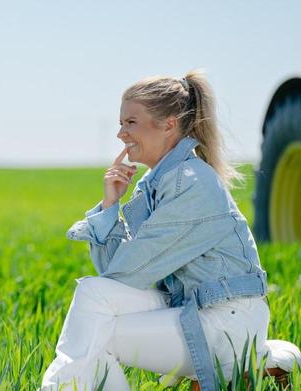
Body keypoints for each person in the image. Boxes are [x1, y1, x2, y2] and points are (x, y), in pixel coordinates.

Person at [41, 70, 269, 391]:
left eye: (130, 122)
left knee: (95, 329)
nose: (121, 134)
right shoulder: (153, 184)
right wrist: (110, 205)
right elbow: (115, 282)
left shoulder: (191, 183)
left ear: (168, 124)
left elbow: (127, 275)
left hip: (228, 321)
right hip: (194, 307)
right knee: (93, 312)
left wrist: (111, 221)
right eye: (121, 123)